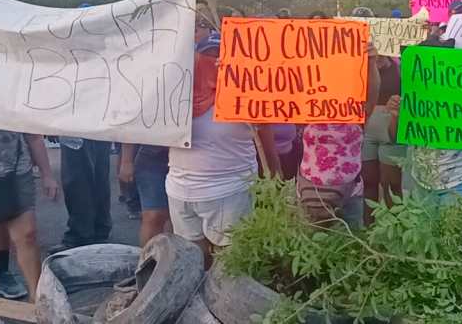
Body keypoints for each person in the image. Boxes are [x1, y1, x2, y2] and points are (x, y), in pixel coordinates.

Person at [166, 33, 279, 268]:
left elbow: (267, 140)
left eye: (220, 55)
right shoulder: (179, 93)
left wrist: (275, 179)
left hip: (229, 191)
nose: (214, 61)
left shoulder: (248, 96)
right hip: (180, 190)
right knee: (193, 260)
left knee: (230, 263)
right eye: (208, 55)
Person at [298, 43, 381, 229]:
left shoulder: (357, 112)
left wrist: (371, 63)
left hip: (349, 193)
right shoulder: (307, 109)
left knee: (350, 249)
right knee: (314, 249)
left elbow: (373, 92)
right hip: (312, 194)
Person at [0, 130, 60, 300]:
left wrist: (47, 174)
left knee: (27, 235)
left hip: (16, 170)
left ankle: (38, 303)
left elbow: (34, 135)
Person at [362, 56, 406, 224]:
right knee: (369, 182)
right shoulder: (359, 64)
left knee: (392, 185)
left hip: (393, 132)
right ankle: (367, 230)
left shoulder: (399, 65)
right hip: (366, 133)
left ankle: (397, 229)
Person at [52, 134, 112, 252]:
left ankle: (80, 234)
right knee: (99, 178)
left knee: (77, 181)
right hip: (100, 126)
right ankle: (99, 230)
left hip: (75, 128)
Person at [118, 142, 170, 247]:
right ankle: (148, 260)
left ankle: (173, 259)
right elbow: (131, 126)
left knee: (176, 218)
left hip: (195, 157)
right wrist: (126, 161)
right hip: (153, 156)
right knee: (153, 215)